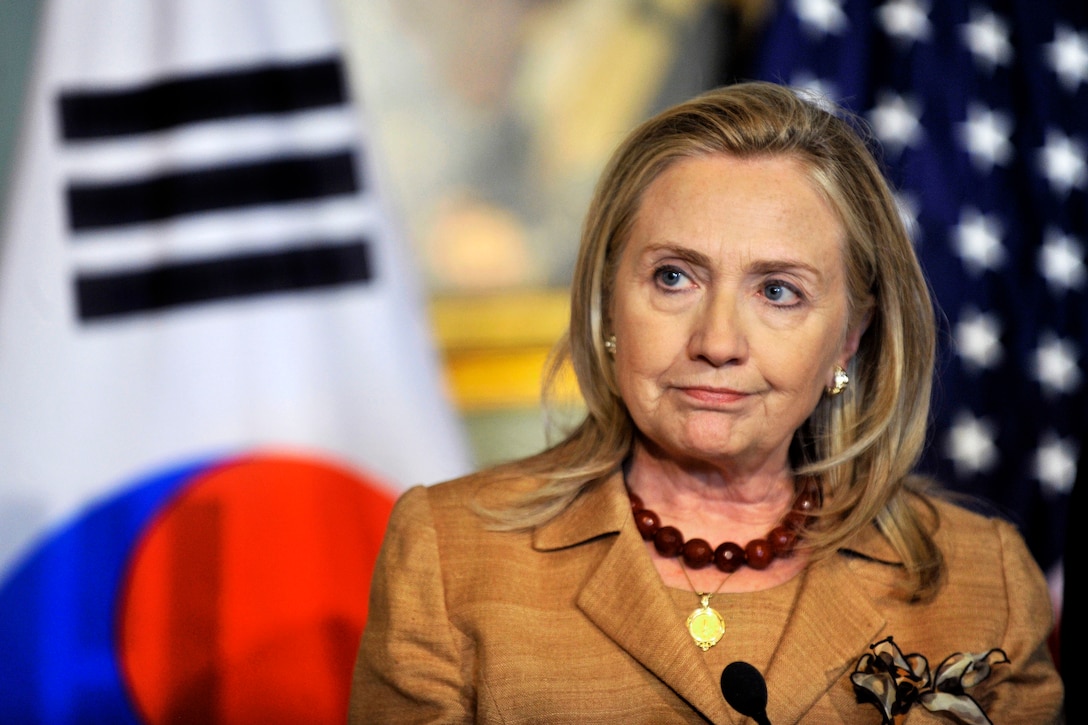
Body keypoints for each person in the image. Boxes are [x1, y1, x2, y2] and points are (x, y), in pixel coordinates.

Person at [349, 82, 1063, 723]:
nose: (718, 341)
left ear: (848, 338)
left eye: (778, 290)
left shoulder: (981, 577)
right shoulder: (448, 553)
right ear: (607, 303)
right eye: (673, 278)